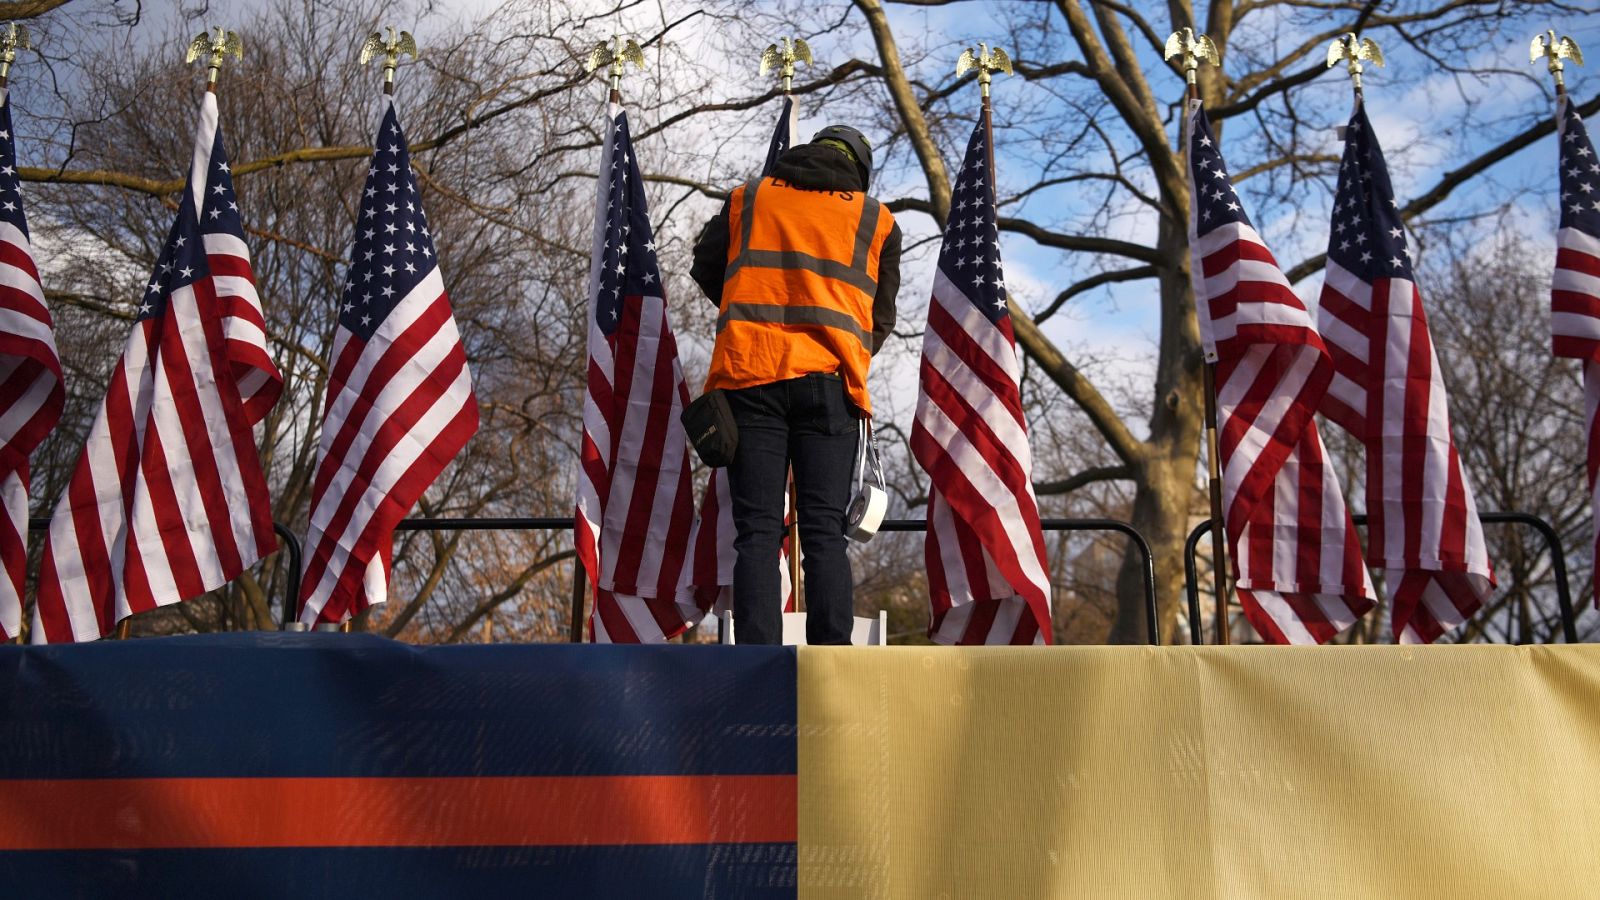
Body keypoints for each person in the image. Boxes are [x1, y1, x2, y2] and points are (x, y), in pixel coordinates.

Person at [690, 124, 901, 645]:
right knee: (825, 533)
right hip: (830, 386)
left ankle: (757, 664)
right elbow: (882, 317)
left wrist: (752, 317)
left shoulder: (751, 197)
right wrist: (843, 348)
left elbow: (705, 265)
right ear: (858, 169)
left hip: (750, 378)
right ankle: (832, 664)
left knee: (757, 534)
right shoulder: (876, 220)